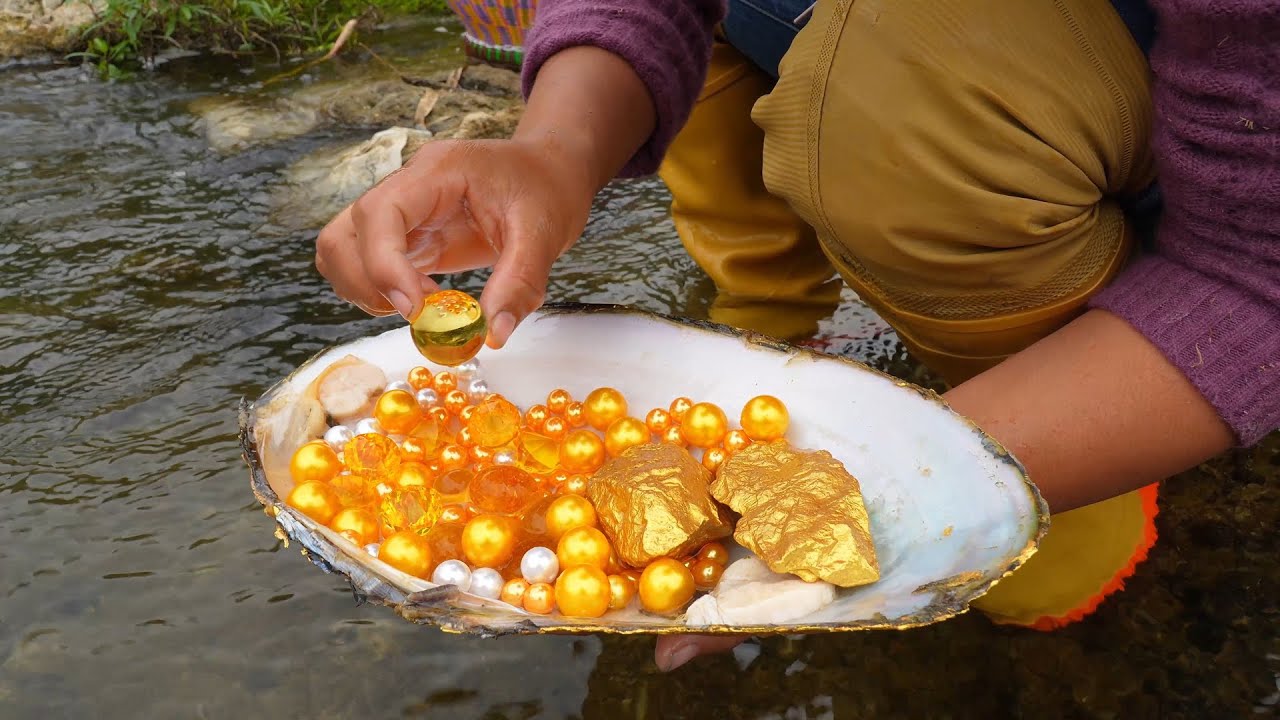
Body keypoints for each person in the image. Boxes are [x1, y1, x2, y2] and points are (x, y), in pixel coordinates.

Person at [315, 0, 1278, 672]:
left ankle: (1054, 449)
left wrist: (920, 478)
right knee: (818, 63)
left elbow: (1255, 270)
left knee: (895, 91)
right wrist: (555, 149)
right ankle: (773, 327)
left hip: (1144, 108)